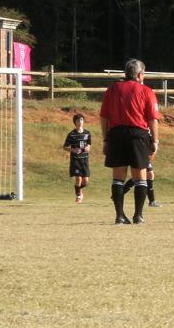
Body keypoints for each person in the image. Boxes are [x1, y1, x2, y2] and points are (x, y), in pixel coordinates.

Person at [100, 59, 160, 224]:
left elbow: (104, 117)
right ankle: (138, 215)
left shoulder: (111, 90)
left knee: (118, 177)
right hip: (138, 134)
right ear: (140, 74)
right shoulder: (146, 91)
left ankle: (119, 215)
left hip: (116, 134)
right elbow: (152, 119)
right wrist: (155, 140)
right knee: (140, 176)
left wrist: (105, 138)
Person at [63, 113, 91, 203]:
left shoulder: (87, 133)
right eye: (78, 120)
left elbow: (89, 145)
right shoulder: (71, 134)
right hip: (75, 160)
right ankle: (79, 196)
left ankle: (78, 190)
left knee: (85, 181)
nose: (80, 122)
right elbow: (65, 147)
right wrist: (73, 150)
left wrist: (87, 148)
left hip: (84, 160)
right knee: (78, 179)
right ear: (75, 122)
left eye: (82, 120)